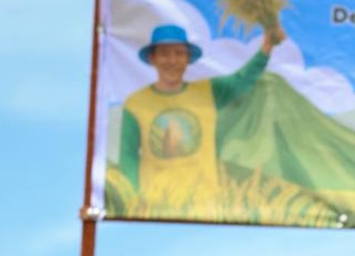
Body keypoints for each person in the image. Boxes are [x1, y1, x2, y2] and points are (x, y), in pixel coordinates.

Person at [117, 23, 283, 216]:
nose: (172, 60)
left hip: (205, 207)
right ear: (152, 58)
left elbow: (242, 80)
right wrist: (136, 199)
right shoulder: (135, 103)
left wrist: (266, 48)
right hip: (156, 209)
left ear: (188, 58)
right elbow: (127, 157)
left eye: (179, 53)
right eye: (164, 53)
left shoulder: (209, 91)